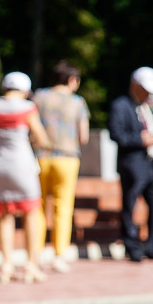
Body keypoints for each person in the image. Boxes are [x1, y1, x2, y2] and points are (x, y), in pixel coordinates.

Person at [0, 71, 50, 284]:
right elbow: (41, 137)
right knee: (31, 212)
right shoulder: (27, 107)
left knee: (4, 214)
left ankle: (6, 265)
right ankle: (31, 264)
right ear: (24, 90)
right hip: (22, 162)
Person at [32, 61, 90, 274]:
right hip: (67, 158)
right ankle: (59, 256)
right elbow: (83, 136)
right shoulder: (78, 102)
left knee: (37, 206)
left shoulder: (39, 96)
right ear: (72, 80)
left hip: (40, 157)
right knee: (63, 208)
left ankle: (35, 253)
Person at [109, 67, 153, 262]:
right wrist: (139, 140)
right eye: (145, 89)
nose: (148, 93)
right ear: (135, 86)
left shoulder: (151, 106)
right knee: (130, 205)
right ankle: (132, 247)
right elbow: (116, 134)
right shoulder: (121, 105)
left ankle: (152, 245)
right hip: (133, 164)